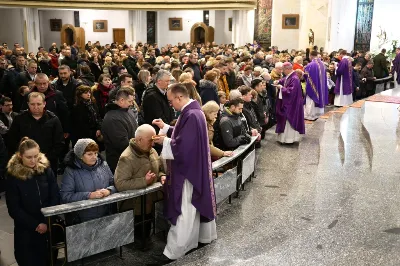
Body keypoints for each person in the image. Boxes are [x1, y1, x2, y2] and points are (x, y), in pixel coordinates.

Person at [151, 83, 217, 263]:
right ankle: (192, 242)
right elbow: (184, 135)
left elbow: (183, 146)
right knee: (191, 209)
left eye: (172, 101)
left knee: (184, 210)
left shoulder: (191, 115)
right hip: (194, 168)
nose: (171, 104)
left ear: (179, 97)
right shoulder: (193, 113)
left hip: (187, 173)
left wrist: (164, 141)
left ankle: (174, 251)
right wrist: (166, 128)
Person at [6, 137, 60, 266]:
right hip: (26, 230)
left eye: (36, 156)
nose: (33, 160)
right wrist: (36, 225)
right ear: (20, 156)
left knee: (50, 260)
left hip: (48, 225)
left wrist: (46, 221)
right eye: (29, 157)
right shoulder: (13, 176)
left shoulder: (46, 170)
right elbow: (14, 208)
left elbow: (55, 195)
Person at [114, 124, 166, 242]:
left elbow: (159, 169)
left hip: (151, 202)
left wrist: (162, 176)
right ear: (139, 140)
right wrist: (144, 181)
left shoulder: (151, 151)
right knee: (140, 238)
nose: (153, 144)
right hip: (136, 208)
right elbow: (120, 184)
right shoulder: (126, 158)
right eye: (150, 140)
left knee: (148, 233)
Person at [60, 139, 116, 224]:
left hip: (106, 216)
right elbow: (66, 196)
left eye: (96, 153)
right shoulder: (71, 171)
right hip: (82, 221)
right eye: (89, 154)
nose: (94, 156)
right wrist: (89, 195)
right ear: (80, 155)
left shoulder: (103, 165)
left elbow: (115, 184)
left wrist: (109, 190)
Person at [101, 88, 138, 172]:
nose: (132, 104)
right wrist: (141, 146)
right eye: (130, 101)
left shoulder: (127, 111)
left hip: (132, 159)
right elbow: (122, 144)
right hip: (120, 163)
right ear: (121, 100)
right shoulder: (112, 119)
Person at [274, 62, 305, 144]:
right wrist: (278, 81)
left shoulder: (294, 78)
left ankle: (288, 139)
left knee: (288, 119)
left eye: (283, 70)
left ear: (288, 69)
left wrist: (281, 88)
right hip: (291, 103)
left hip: (292, 104)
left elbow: (290, 92)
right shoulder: (291, 76)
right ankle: (284, 138)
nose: (282, 71)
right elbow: (285, 80)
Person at [142, 70, 175, 134]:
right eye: (167, 81)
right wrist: (168, 129)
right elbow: (158, 116)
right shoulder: (152, 96)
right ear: (159, 81)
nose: (168, 83)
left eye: (169, 81)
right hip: (158, 132)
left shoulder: (163, 92)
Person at [303, 51, 328, 120]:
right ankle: (318, 114)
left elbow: (306, 76)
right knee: (319, 96)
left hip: (313, 87)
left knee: (311, 99)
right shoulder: (322, 64)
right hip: (320, 87)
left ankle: (311, 115)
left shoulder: (311, 65)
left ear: (311, 56)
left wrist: (303, 73)